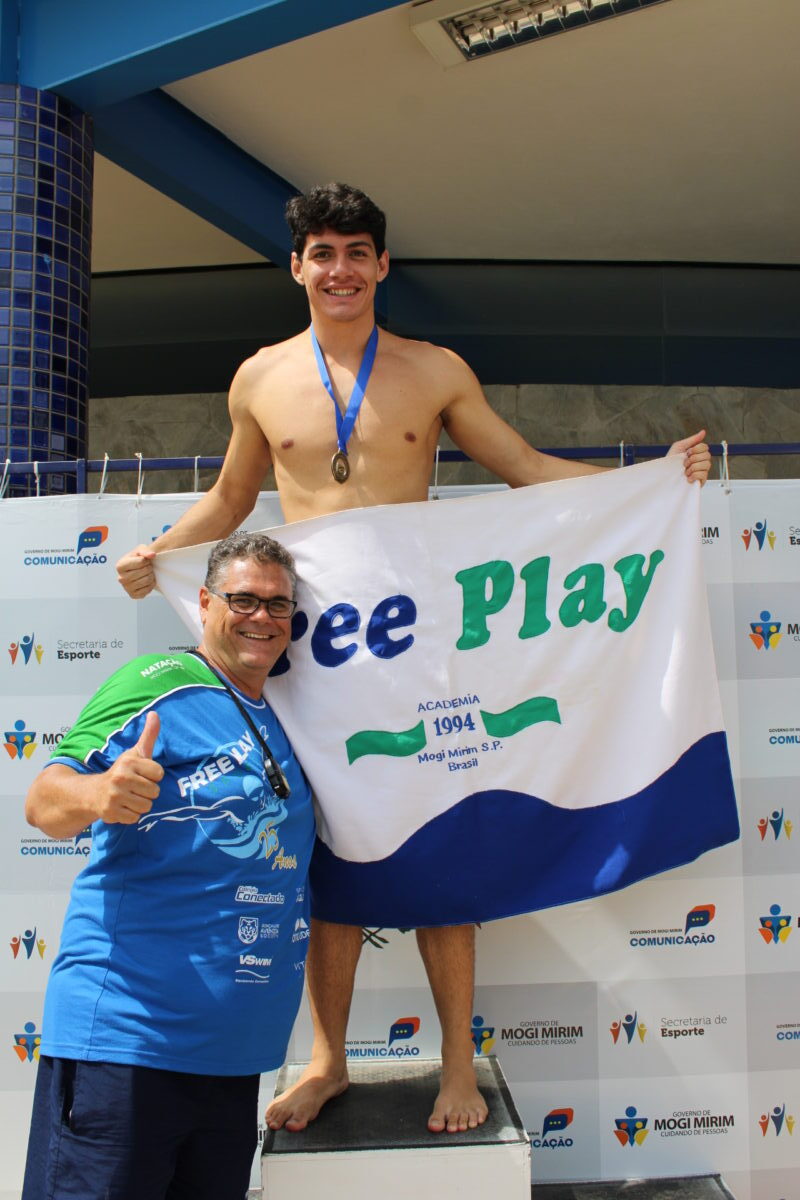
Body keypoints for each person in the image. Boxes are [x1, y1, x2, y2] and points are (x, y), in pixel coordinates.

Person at [115, 182, 712, 1136]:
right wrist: (160, 552)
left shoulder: (434, 370)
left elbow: (522, 469)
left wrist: (647, 485)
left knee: (445, 839)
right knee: (330, 857)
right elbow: (230, 501)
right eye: (323, 253)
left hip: (418, 637)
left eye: (358, 251)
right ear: (299, 267)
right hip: (315, 651)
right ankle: (330, 1060)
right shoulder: (260, 377)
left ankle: (454, 1063)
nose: (340, 269)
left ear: (382, 265)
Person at [22, 532, 315, 1200]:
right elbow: (44, 801)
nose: (262, 618)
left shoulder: (283, 715)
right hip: (128, 1045)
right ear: (206, 603)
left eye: (278, 605)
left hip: (234, 1060)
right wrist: (100, 793)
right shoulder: (158, 683)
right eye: (243, 599)